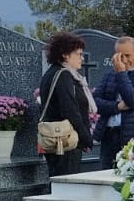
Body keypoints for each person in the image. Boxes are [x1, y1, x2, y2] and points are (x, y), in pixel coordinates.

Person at [91, 36, 134, 168]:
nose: (124, 60)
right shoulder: (109, 75)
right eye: (120, 55)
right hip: (109, 135)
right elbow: (95, 102)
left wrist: (122, 74)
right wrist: (116, 106)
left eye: (127, 55)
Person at [37, 33, 96, 176]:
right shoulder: (63, 75)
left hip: (58, 137)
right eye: (78, 54)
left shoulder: (52, 72)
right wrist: (86, 138)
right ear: (65, 55)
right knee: (66, 184)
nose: (82, 58)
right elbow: (69, 109)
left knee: (58, 180)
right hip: (65, 140)